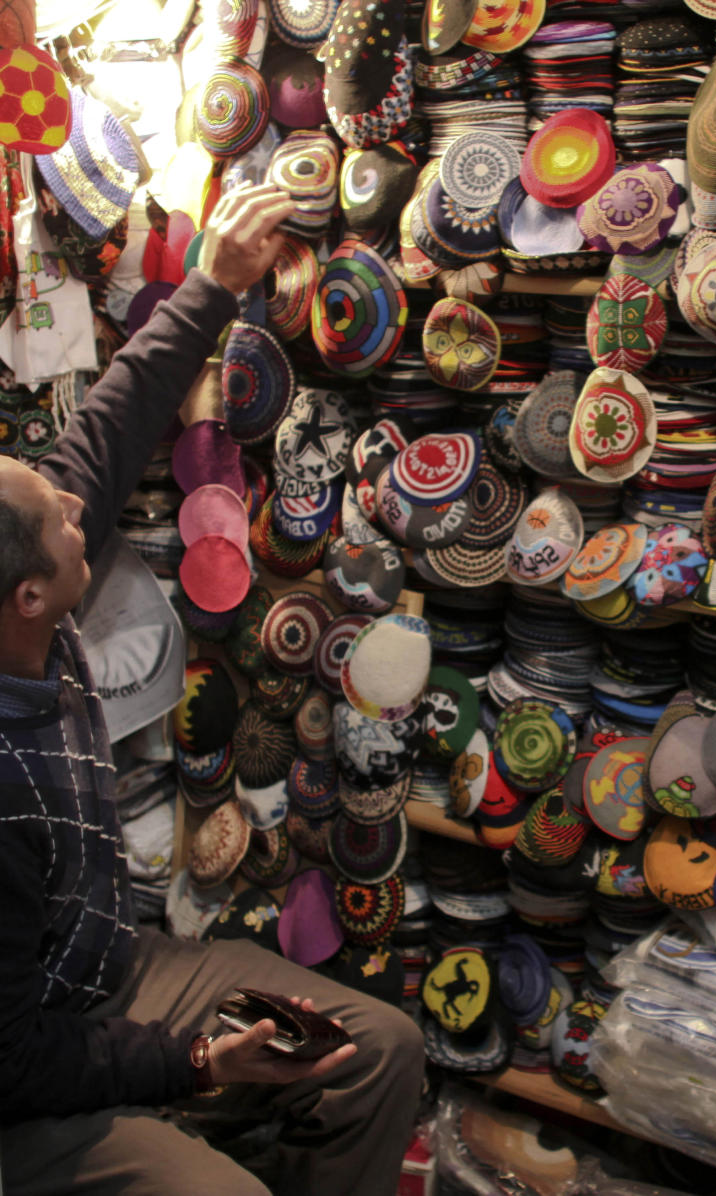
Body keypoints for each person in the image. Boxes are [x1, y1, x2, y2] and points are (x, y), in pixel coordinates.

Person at [0, 183, 425, 1196]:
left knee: (378, 1047)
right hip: (23, 1076)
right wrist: (194, 1061)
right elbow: (13, 1060)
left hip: (100, 973)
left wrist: (214, 282)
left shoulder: (19, 614)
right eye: (62, 523)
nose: (73, 502)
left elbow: (99, 439)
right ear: (29, 592)